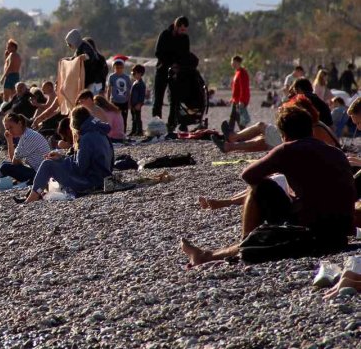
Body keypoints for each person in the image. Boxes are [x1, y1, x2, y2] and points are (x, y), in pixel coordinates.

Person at [180, 105, 356, 266]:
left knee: (260, 187)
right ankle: (213, 253)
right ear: (311, 129)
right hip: (341, 232)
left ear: (283, 135)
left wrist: (279, 165)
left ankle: (239, 245)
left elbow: (248, 175)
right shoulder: (335, 153)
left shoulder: (287, 149)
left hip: (312, 230)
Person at [24, 106, 114, 203]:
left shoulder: (85, 138)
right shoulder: (101, 132)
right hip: (102, 180)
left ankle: (33, 196)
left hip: (91, 183)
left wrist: (62, 162)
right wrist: (61, 158)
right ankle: (36, 192)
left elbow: (80, 168)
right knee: (52, 163)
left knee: (48, 165)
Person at [153, 17, 190, 131]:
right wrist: (169, 63)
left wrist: (177, 65)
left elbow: (185, 55)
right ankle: (156, 124)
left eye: (185, 29)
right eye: (181, 29)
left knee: (175, 100)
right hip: (162, 70)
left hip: (176, 72)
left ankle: (171, 125)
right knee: (158, 99)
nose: (182, 31)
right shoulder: (165, 34)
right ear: (176, 26)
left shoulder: (185, 38)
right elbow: (158, 52)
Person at [0, 113, 51, 184]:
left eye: (11, 127)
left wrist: (9, 141)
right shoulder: (27, 134)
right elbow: (15, 161)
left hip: (41, 174)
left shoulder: (27, 137)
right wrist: (9, 140)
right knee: (4, 163)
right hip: (40, 170)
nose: (10, 131)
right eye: (7, 129)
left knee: (4, 167)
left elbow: (14, 162)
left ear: (19, 123)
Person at [65, 29, 104, 94]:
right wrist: (68, 59)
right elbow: (75, 58)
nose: (69, 46)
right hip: (88, 80)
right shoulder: (79, 48)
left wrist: (84, 56)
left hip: (94, 81)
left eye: (69, 44)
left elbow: (89, 56)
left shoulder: (85, 46)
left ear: (74, 41)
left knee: (92, 101)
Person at [106, 60, 131, 133]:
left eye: (120, 68)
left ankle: (123, 133)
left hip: (124, 101)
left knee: (124, 118)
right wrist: (107, 101)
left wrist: (129, 102)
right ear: (114, 68)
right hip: (114, 101)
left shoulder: (126, 77)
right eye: (117, 68)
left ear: (123, 68)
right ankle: (114, 133)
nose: (119, 69)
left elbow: (129, 90)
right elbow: (109, 89)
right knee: (114, 118)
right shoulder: (112, 77)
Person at [227, 55, 251, 131]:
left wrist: (242, 100)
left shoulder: (242, 72)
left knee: (238, 119)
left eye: (232, 61)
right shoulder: (237, 72)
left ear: (237, 62)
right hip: (236, 100)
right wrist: (232, 99)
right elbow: (236, 88)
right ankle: (230, 134)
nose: (231, 63)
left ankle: (243, 135)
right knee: (233, 117)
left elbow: (244, 88)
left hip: (239, 101)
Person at [129, 64, 146, 136]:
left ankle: (139, 131)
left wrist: (140, 103)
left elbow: (142, 95)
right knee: (133, 118)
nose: (133, 74)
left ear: (139, 73)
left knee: (138, 118)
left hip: (137, 103)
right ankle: (134, 130)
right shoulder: (135, 82)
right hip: (133, 103)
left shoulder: (141, 84)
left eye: (134, 73)